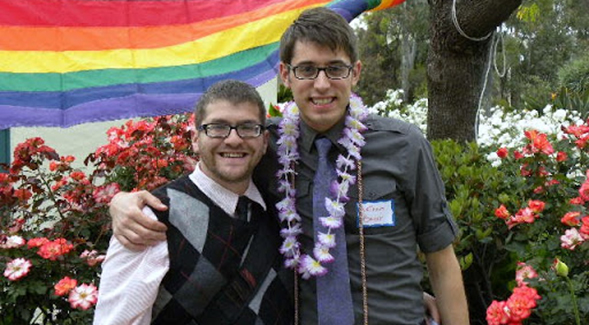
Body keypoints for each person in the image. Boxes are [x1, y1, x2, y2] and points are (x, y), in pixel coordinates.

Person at [108, 7, 468, 325]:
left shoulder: (403, 145)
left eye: (335, 69)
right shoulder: (265, 145)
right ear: (286, 74)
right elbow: (211, 175)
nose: (322, 84)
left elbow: (440, 257)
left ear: (355, 73)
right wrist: (122, 203)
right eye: (307, 69)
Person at [94, 80, 293, 325]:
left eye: (247, 127)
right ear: (195, 138)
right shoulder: (150, 221)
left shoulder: (280, 211)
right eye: (217, 127)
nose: (233, 140)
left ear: (264, 142)